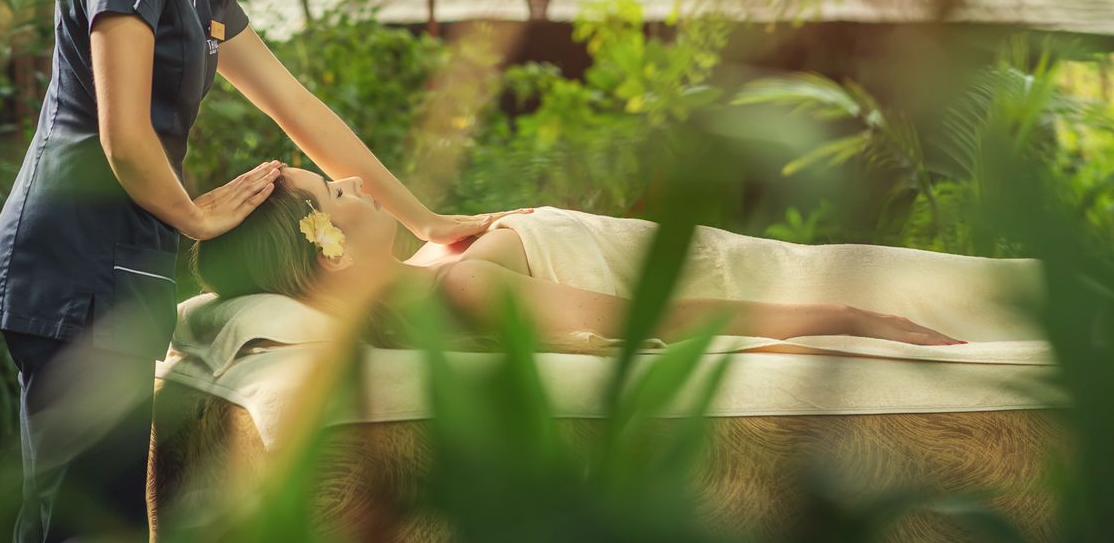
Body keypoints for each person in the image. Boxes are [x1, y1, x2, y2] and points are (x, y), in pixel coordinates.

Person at [0, 0, 517, 543]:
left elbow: (299, 109)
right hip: (70, 269)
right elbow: (124, 136)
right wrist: (195, 214)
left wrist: (421, 219)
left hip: (124, 275)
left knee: (111, 518)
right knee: (81, 521)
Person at [192, 167, 968, 349]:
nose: (357, 181)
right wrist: (840, 315)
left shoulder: (422, 279)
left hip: (615, 241)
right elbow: (655, 315)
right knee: (953, 292)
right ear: (328, 254)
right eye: (335, 193)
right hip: (710, 264)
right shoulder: (460, 290)